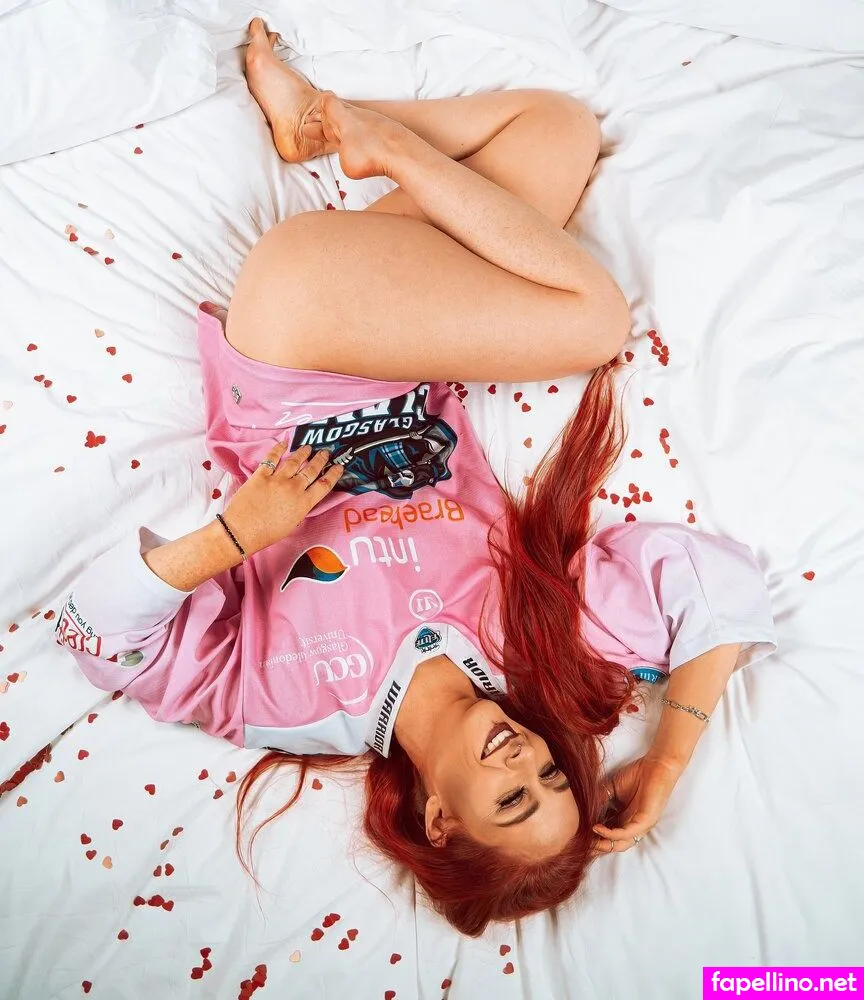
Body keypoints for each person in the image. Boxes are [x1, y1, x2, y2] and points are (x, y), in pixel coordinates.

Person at [54, 20, 777, 937]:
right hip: (398, 337)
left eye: (510, 800)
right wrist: (668, 759)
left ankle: (375, 140)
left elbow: (97, 635)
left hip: (294, 344)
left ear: (439, 820)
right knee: (555, 131)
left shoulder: (290, 703)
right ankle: (320, 124)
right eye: (551, 777)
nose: (525, 761)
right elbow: (714, 585)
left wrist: (235, 536)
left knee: (593, 322)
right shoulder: (539, 647)